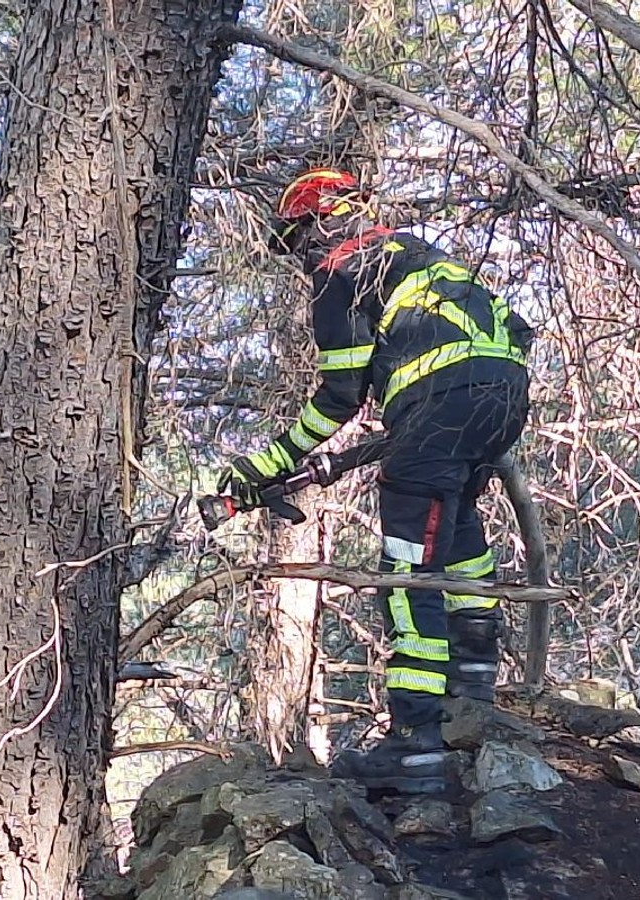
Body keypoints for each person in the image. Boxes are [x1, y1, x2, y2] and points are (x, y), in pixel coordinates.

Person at [218, 168, 532, 794]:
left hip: (441, 406)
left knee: (406, 564)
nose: (300, 259)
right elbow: (513, 331)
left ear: (313, 226)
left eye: (297, 242)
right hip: (503, 395)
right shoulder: (420, 254)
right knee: (457, 527)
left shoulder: (342, 269)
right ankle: (473, 695)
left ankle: (416, 745)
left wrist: (264, 466)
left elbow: (338, 396)